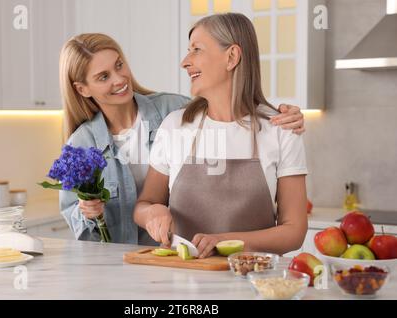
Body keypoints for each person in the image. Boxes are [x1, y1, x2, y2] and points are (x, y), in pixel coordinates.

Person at [59, 32, 306, 245]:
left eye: (119, 65)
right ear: (82, 89)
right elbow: (75, 219)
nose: (119, 79)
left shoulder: (174, 110)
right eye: (103, 77)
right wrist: (87, 212)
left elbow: (229, 109)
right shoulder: (80, 145)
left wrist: (278, 115)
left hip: (176, 256)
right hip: (119, 262)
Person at [133, 13, 308, 256]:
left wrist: (223, 241)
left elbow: (294, 231)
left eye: (196, 49)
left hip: (254, 281)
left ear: (232, 57)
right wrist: (151, 213)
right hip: (180, 281)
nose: (185, 61)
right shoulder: (175, 126)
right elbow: (144, 205)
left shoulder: (281, 129)